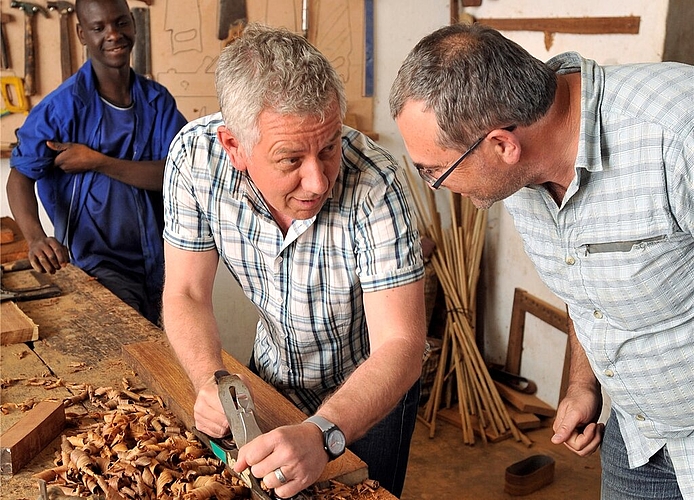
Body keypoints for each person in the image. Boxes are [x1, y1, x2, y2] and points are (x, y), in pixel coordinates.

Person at [390, 22, 694, 500]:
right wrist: (582, 384)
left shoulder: (677, 130)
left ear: (502, 145)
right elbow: (587, 290)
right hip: (639, 436)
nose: (438, 185)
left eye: (437, 171)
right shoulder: (521, 173)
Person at [162, 24, 427, 498]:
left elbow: (402, 345)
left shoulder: (375, 185)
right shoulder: (194, 159)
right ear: (234, 147)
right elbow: (186, 291)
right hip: (271, 377)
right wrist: (209, 380)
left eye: (328, 148)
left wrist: (324, 431)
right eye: (290, 159)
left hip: (370, 391)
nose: (318, 181)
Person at [7, 0, 187, 325]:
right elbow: (19, 178)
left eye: (120, 23)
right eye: (98, 27)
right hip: (98, 265)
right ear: (81, 33)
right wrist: (35, 238)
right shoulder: (61, 109)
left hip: (162, 262)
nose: (113, 35)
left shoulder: (157, 101)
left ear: (133, 24)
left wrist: (97, 161)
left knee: (165, 360)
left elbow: (174, 175)